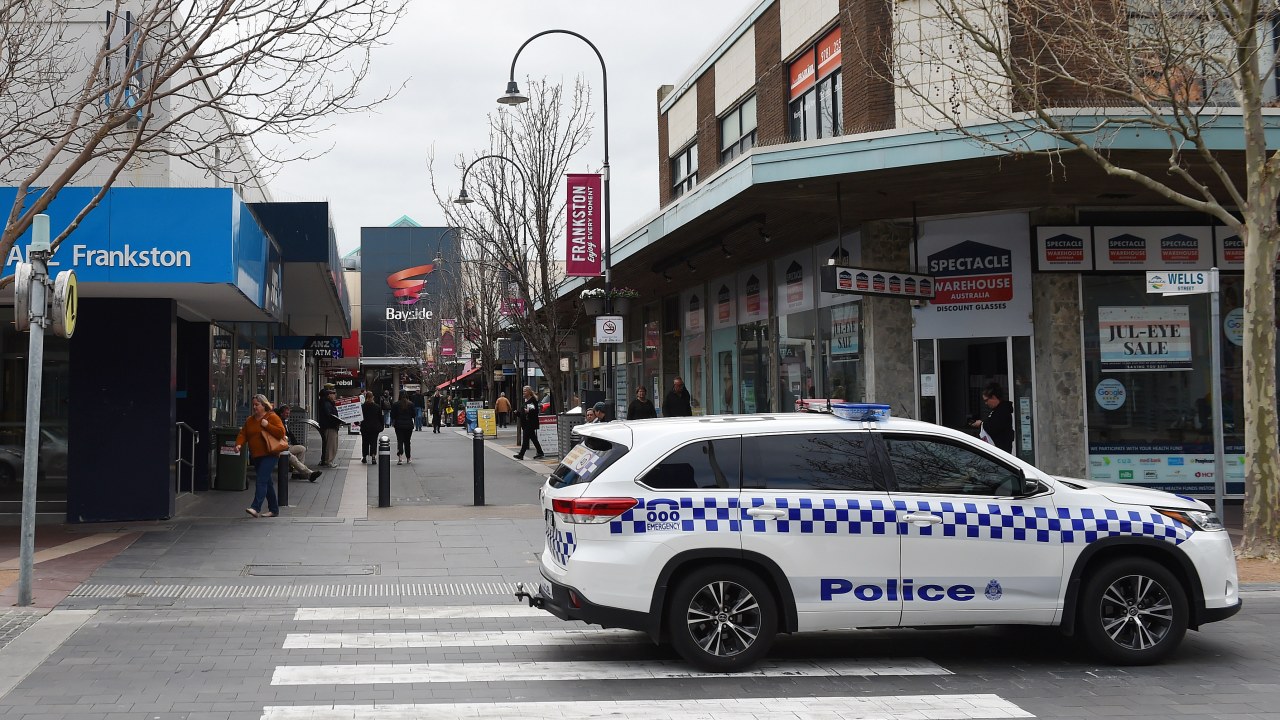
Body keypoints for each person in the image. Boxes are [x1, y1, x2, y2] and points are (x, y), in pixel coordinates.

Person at [235, 394, 286, 518]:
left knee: (261, 480)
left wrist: (267, 425)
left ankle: (255, 507)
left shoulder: (272, 417)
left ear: (264, 405)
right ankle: (274, 509)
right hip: (256, 455)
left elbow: (281, 432)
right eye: (253, 405)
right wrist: (239, 444)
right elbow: (243, 434)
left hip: (270, 454)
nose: (254, 407)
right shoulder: (250, 420)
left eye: (257, 405)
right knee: (267, 482)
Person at [276, 405, 322, 482]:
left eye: (289, 413)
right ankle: (309, 473)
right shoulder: (279, 422)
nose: (288, 415)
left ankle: (297, 473)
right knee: (292, 458)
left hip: (285, 445)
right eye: (286, 413)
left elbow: (290, 434)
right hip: (280, 447)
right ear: (281, 413)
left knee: (302, 449)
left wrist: (295, 443)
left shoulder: (285, 422)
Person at [971, 382, 1015, 453]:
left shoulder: (1002, 411)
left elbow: (993, 427)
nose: (985, 403)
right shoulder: (998, 410)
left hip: (1001, 453)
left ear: (993, 397)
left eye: (986, 400)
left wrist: (981, 424)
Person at [513, 385, 545, 460]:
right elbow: (523, 413)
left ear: (529, 392)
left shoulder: (533, 400)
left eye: (525, 391)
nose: (523, 393)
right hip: (526, 423)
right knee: (533, 438)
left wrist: (529, 411)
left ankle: (521, 454)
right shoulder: (526, 401)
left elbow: (535, 411)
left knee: (525, 438)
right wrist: (517, 413)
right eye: (523, 391)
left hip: (530, 423)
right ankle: (540, 452)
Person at [317, 388, 341, 467]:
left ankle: (326, 460)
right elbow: (330, 415)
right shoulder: (327, 403)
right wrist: (337, 420)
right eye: (333, 394)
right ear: (329, 395)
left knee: (329, 444)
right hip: (330, 426)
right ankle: (328, 461)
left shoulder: (327, 403)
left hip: (329, 426)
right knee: (331, 445)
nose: (335, 395)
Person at [390, 393, 416, 464]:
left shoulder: (396, 404)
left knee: (400, 440)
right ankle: (408, 457)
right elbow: (414, 415)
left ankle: (400, 456)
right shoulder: (411, 404)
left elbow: (392, 415)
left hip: (399, 425)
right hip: (408, 425)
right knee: (407, 441)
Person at [360, 391, 384, 464]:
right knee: (373, 442)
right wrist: (381, 426)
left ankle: (364, 457)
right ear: (373, 397)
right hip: (374, 427)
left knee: (365, 442)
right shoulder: (377, 407)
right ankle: (373, 456)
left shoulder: (362, 407)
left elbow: (359, 417)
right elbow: (381, 418)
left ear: (366, 397)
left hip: (365, 427)